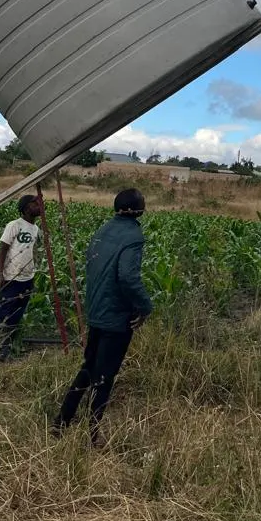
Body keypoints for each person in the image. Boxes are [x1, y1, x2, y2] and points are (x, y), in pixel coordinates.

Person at [52, 188, 152, 446]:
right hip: (116, 318)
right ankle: (91, 436)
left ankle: (61, 423)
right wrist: (144, 307)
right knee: (104, 377)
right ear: (134, 209)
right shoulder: (133, 236)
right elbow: (128, 278)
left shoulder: (103, 230)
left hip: (96, 312)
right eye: (142, 201)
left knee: (88, 369)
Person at [0, 194, 42, 361]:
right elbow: (3, 249)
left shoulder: (35, 229)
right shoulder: (14, 225)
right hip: (11, 278)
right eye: (35, 203)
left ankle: (4, 353)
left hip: (27, 279)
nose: (40, 206)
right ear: (26, 208)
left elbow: (31, 251)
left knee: (15, 316)